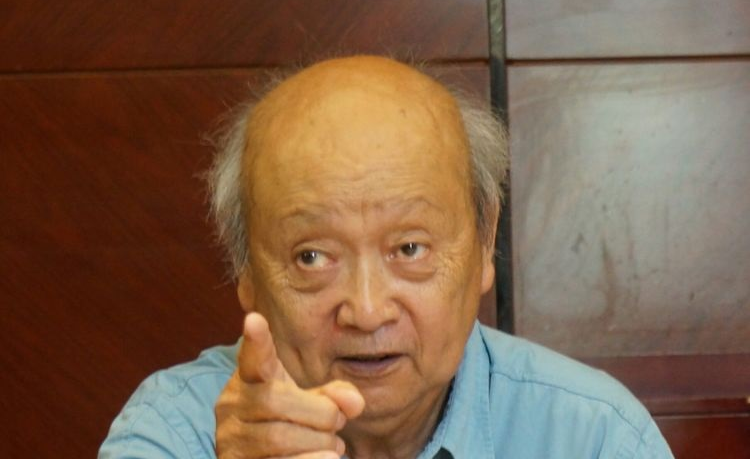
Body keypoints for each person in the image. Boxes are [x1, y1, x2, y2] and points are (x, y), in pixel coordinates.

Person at [99, 55, 674, 459]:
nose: (368, 312)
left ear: (483, 241)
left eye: (409, 249)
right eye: (312, 257)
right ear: (246, 268)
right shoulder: (177, 432)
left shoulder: (595, 437)